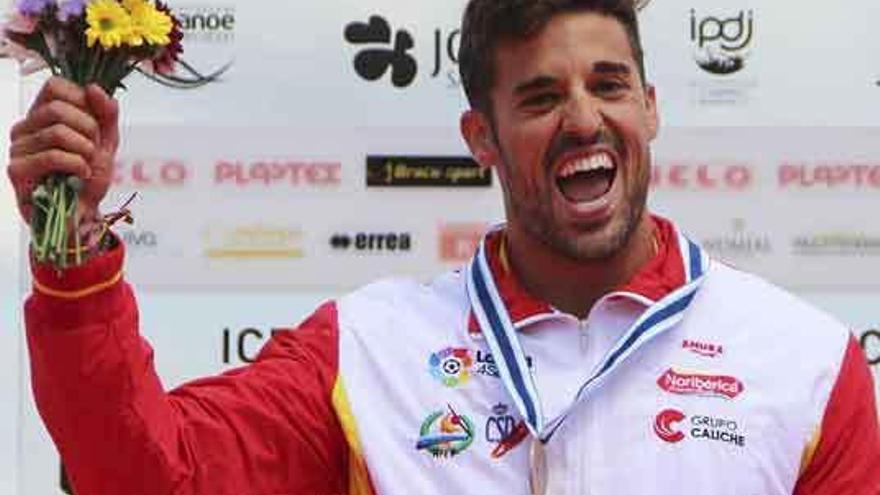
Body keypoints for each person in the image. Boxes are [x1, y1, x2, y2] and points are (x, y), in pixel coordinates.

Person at [7, 0, 880, 493]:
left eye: (608, 84)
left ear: (650, 107)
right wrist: (73, 250)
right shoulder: (370, 351)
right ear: (482, 137)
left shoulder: (802, 363)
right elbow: (145, 475)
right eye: (539, 97)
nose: (584, 117)